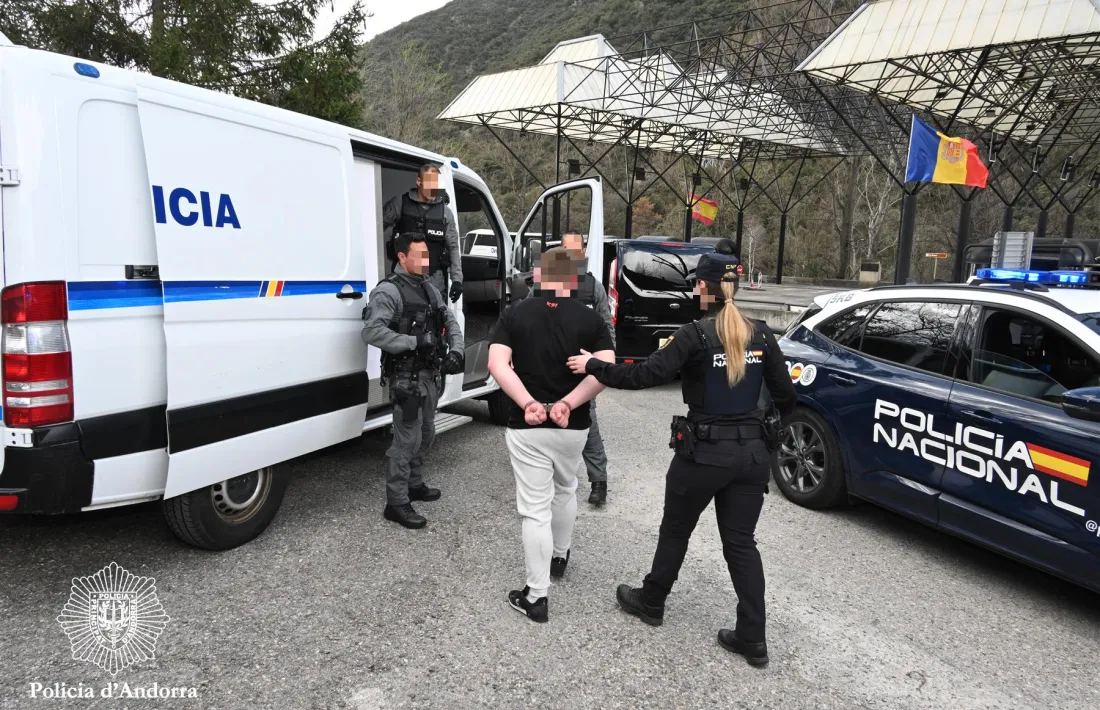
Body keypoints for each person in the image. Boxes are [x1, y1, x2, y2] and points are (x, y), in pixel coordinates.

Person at [566, 252, 796, 666]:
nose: (693, 290)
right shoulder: (761, 335)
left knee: (675, 531)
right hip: (752, 456)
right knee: (742, 545)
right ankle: (753, 639)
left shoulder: (694, 335)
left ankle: (652, 602)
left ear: (704, 289)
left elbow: (642, 376)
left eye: (696, 284)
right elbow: (787, 397)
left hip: (704, 455)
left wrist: (594, 366)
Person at [488, 247, 615, 623]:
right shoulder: (591, 320)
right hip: (571, 426)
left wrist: (528, 402)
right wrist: (569, 403)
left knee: (533, 510)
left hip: (526, 427)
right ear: (574, 280)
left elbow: (497, 364)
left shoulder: (514, 314)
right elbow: (605, 368)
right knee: (566, 488)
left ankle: (537, 595)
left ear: (539, 277)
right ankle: (560, 555)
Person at [362, 233, 465, 529]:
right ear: (402, 258)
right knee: (406, 440)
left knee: (428, 432)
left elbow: (449, 320)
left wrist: (457, 350)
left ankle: (414, 484)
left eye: (426, 256)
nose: (425, 261)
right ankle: (396, 502)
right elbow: (371, 332)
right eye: (418, 256)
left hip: (430, 375)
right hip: (406, 378)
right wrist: (412, 340)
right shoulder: (388, 292)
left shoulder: (428, 287)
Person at [522, 232, 614, 506]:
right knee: (541, 419)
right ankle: (546, 476)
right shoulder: (541, 285)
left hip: (581, 368)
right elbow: (525, 321)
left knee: (588, 424)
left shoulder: (593, 287)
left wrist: (603, 363)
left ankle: (599, 482)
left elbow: (606, 326)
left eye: (578, 252)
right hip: (546, 367)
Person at [382, 164, 464, 303]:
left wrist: (457, 279)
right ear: (419, 181)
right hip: (404, 276)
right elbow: (373, 229)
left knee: (435, 318)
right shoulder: (400, 203)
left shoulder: (445, 212)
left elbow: (453, 246)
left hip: (434, 278)